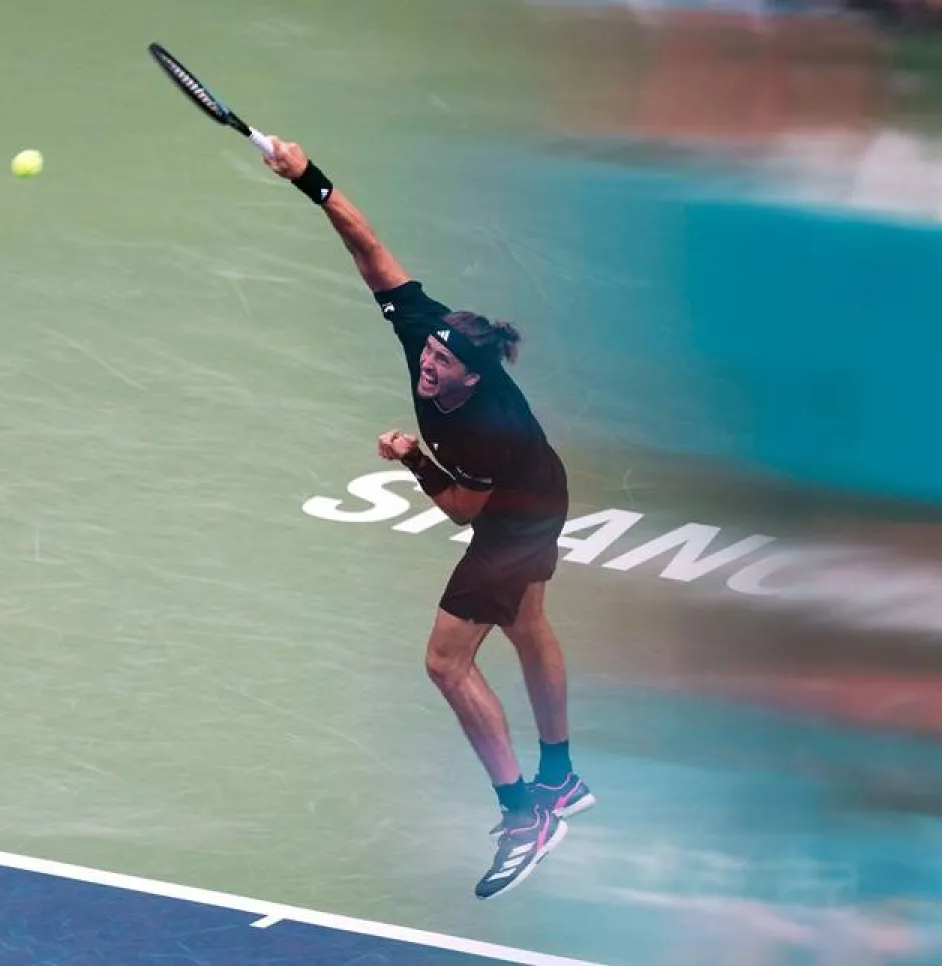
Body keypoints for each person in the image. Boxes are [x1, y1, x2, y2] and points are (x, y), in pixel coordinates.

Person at [262, 137, 595, 899]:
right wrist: (307, 177)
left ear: (473, 378)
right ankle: (561, 775)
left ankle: (525, 815)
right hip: (542, 485)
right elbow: (369, 246)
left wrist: (412, 456)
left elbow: (459, 511)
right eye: (429, 354)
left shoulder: (485, 426)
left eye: (443, 366)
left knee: (446, 662)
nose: (427, 367)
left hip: (519, 512)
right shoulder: (428, 331)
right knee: (527, 626)